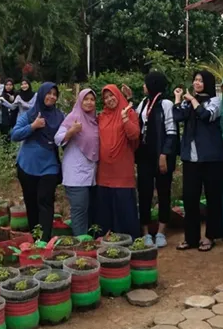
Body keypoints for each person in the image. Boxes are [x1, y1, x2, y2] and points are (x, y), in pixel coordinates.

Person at [175, 70, 223, 251]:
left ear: (208, 83)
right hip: (191, 158)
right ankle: (191, 238)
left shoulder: (215, 101)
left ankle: (211, 236)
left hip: (212, 158)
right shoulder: (189, 103)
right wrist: (179, 98)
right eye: (195, 80)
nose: (196, 83)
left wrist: (193, 100)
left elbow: (205, 115)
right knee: (190, 199)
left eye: (200, 80)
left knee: (212, 198)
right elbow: (178, 116)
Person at [11, 82, 63, 240]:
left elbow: (68, 132)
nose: (52, 97)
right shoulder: (30, 114)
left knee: (45, 201)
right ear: (41, 94)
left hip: (49, 167)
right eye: (49, 93)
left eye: (54, 94)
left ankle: (45, 240)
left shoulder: (60, 116)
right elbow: (14, 134)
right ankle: (35, 238)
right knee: (31, 203)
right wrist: (33, 126)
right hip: (27, 167)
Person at [136, 71, 178, 248]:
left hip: (161, 156)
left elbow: (172, 131)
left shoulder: (166, 104)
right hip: (145, 156)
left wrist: (164, 155)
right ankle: (145, 232)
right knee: (144, 192)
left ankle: (161, 231)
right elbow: (135, 120)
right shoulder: (144, 103)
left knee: (163, 192)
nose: (143, 86)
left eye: (146, 83)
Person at [94, 84, 141, 237]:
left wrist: (125, 118)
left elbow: (134, 135)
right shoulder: (101, 117)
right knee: (105, 210)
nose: (109, 100)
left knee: (124, 209)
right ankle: (108, 246)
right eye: (106, 98)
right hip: (104, 172)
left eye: (112, 95)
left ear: (118, 95)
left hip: (122, 171)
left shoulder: (129, 112)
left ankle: (129, 243)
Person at [57, 88, 99, 238]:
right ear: (80, 101)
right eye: (86, 99)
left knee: (88, 209)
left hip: (91, 173)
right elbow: (57, 138)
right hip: (75, 174)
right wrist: (72, 131)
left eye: (92, 99)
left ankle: (87, 242)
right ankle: (81, 244)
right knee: (79, 209)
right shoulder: (73, 117)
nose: (89, 102)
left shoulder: (95, 120)